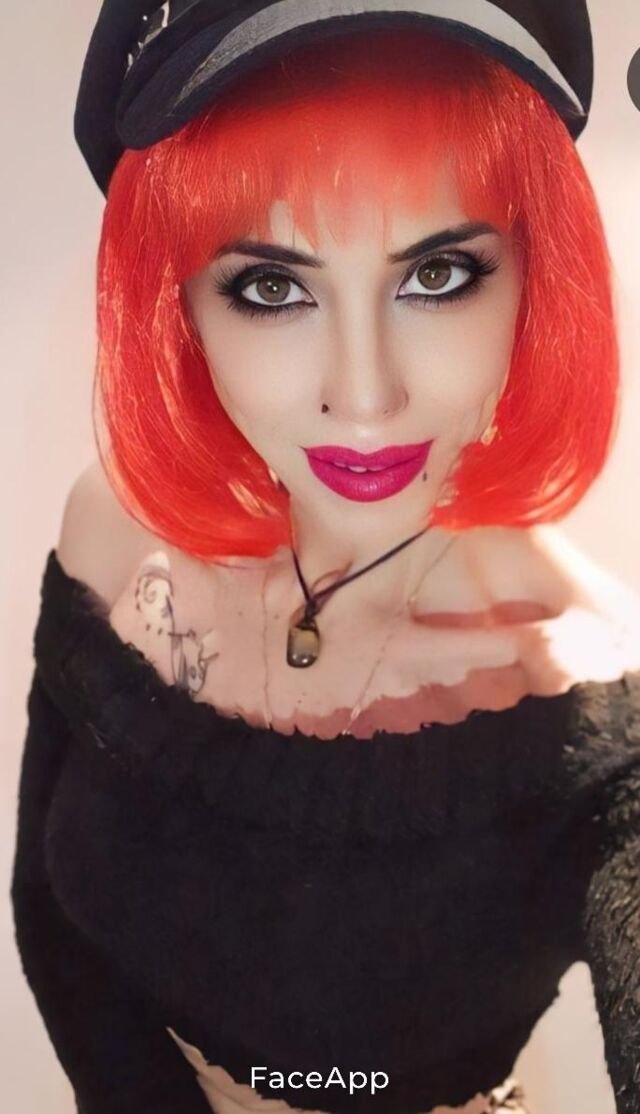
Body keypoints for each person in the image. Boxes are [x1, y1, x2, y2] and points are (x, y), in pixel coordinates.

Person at [11, 2, 640, 1113]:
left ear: (536, 272)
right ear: (178, 303)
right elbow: (51, 912)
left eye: (437, 274)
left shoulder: (593, 697)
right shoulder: (113, 526)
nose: (364, 396)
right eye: (271, 286)